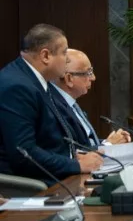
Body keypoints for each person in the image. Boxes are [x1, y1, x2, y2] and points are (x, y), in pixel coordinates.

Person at [0, 24, 103, 182]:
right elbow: (24, 154)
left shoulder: (36, 80)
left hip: (54, 172)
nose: (67, 59)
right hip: (31, 183)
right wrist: (76, 165)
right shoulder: (18, 87)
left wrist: (76, 157)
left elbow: (50, 141)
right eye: (64, 52)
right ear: (46, 56)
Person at [50, 49, 130, 147]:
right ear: (69, 79)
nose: (93, 78)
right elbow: (72, 151)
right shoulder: (54, 109)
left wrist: (110, 142)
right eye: (88, 72)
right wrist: (108, 145)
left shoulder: (70, 103)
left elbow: (86, 142)